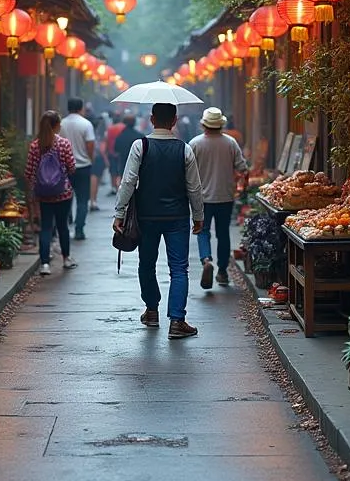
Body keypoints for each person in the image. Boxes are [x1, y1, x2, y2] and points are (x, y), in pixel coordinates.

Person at [113, 102, 205, 340]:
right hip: (177, 217)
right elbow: (194, 187)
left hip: (147, 216)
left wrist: (120, 213)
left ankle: (152, 311)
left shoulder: (140, 146)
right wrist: (198, 215)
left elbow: (128, 182)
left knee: (147, 264)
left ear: (152, 119)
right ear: (174, 120)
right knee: (179, 268)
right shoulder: (184, 149)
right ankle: (177, 320)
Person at [189, 107, 249, 288]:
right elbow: (243, 169)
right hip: (225, 195)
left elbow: (186, 171)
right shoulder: (230, 143)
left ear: (203, 124)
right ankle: (222, 272)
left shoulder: (195, 144)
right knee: (223, 234)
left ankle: (206, 259)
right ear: (220, 124)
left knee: (203, 230)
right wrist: (242, 185)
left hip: (201, 198)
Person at [24, 110, 77, 276]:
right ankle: (66, 258)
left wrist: (34, 188)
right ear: (56, 126)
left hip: (43, 194)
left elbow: (28, 172)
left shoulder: (35, 146)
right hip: (63, 192)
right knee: (63, 227)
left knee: (46, 228)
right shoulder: (64, 144)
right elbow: (72, 167)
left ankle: (45, 264)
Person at [60, 97, 95, 240]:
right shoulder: (86, 124)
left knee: (65, 198)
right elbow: (90, 145)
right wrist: (90, 160)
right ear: (81, 108)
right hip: (82, 167)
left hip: (64, 167)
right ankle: (79, 229)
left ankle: (65, 224)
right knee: (82, 200)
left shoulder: (61, 124)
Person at [89, 115, 107, 211]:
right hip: (96, 158)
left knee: (94, 178)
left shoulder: (89, 133)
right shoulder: (99, 134)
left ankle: (92, 199)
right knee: (95, 178)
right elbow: (102, 148)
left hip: (90, 158)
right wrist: (106, 159)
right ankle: (93, 200)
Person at [105, 113, 124, 193]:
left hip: (112, 152)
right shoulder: (123, 127)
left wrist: (107, 151)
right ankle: (120, 186)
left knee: (113, 171)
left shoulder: (110, 128)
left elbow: (108, 140)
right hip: (121, 152)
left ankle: (113, 187)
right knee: (121, 169)